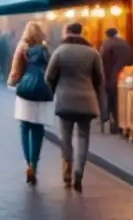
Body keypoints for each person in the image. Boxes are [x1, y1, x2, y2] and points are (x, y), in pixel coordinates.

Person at [46, 22, 107, 192]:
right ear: (82, 32)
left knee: (65, 136)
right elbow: (100, 79)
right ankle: (79, 172)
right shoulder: (92, 52)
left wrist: (54, 90)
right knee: (83, 137)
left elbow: (49, 76)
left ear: (67, 32)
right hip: (86, 101)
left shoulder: (60, 51)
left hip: (65, 100)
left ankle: (67, 170)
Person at [7, 20, 52, 185]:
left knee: (25, 128)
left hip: (25, 90)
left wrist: (12, 82)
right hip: (42, 91)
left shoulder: (22, 47)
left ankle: (28, 164)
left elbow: (16, 69)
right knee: (38, 128)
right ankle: (35, 163)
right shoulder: (45, 48)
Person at [100, 27, 133, 131]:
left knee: (112, 101)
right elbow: (131, 58)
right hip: (125, 76)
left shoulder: (106, 44)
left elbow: (102, 61)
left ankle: (114, 123)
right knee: (123, 101)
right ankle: (123, 123)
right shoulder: (125, 43)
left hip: (112, 77)